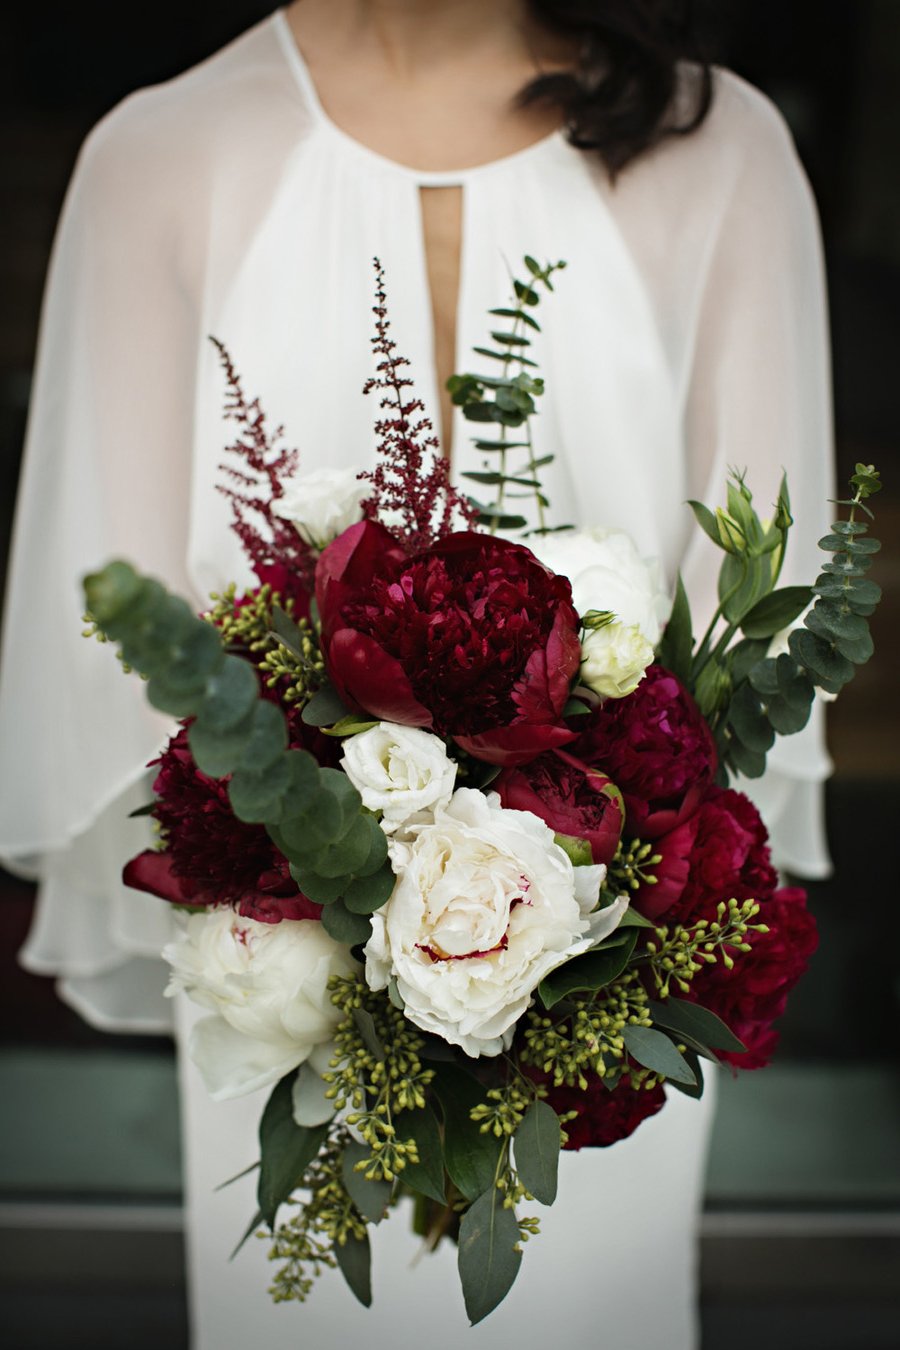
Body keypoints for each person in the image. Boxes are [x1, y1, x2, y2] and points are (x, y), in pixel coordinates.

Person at [0, 2, 834, 1346]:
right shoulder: (156, 160)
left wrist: (564, 902)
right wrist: (324, 861)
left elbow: (760, 626)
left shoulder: (718, 148)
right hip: (288, 1006)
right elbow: (113, 645)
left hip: (604, 998)